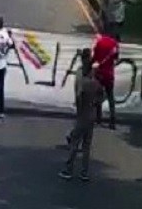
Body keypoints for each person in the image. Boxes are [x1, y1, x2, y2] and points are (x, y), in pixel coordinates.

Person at [60, 48, 104, 182]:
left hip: (83, 114)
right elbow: (101, 97)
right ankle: (84, 172)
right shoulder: (96, 82)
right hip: (91, 114)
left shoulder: (81, 78)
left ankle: (68, 169)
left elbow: (79, 96)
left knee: (75, 143)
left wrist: (79, 108)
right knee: (86, 145)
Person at [91, 30, 119, 129]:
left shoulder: (99, 42)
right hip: (109, 74)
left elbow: (94, 57)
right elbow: (116, 58)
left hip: (99, 73)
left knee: (97, 95)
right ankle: (112, 121)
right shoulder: (114, 44)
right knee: (111, 98)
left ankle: (98, 119)